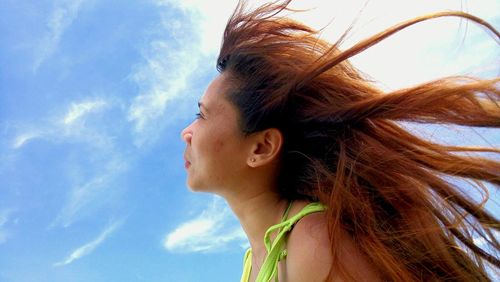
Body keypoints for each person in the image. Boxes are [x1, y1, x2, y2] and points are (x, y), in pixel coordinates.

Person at [181, 0, 500, 281]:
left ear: (262, 148)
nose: (187, 132)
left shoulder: (315, 244)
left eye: (202, 114)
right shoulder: (253, 262)